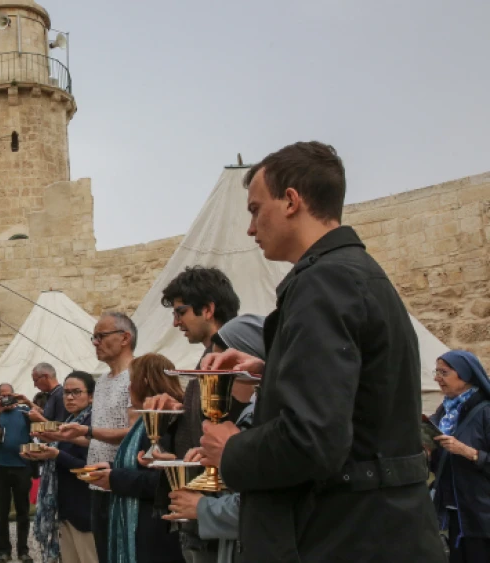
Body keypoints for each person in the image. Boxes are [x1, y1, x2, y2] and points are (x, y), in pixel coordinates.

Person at [200, 141, 444, 562]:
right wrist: (270, 369)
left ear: (291, 201)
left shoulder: (324, 283)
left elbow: (313, 439)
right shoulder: (355, 272)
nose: (251, 228)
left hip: (343, 536)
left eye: (256, 210)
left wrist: (232, 450)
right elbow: (364, 390)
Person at [163, 314, 265, 563]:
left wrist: (203, 508)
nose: (218, 378)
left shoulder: (271, 419)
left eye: (225, 367)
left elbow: (268, 503)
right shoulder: (246, 413)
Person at [54, 312, 138, 563]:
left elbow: (136, 436)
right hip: (97, 482)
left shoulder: (136, 374)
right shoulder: (101, 382)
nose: (95, 342)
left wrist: (86, 430)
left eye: (101, 336)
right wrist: (70, 436)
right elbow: (100, 439)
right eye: (94, 337)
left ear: (125, 338)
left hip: (122, 481)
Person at [96, 353, 185, 563]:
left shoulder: (169, 419)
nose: (128, 389)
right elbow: (142, 465)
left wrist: (115, 479)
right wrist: (109, 468)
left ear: (143, 382)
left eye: (130, 382)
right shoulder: (144, 420)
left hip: (159, 534)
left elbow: (167, 481)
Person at [25, 372, 98, 563]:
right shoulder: (69, 422)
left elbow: (90, 467)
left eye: (76, 392)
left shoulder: (94, 424)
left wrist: (57, 455)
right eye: (66, 393)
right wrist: (43, 455)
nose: (70, 397)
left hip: (84, 507)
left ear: (91, 396)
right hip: (64, 506)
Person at [430, 350, 490, 562]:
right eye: (436, 372)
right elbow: (440, 464)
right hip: (453, 512)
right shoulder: (443, 412)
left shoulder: (486, 412)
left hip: (482, 517)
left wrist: (469, 452)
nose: (438, 378)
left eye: (444, 372)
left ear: (464, 375)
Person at [0, 383, 34, 563]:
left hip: (22, 466)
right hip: (1, 467)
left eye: (8, 395)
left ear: (14, 395)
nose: (5, 398)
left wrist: (27, 402)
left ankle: (23, 550)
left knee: (23, 511)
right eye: (2, 395)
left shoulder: (23, 413)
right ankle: (4, 551)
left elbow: (44, 419)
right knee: (2, 513)